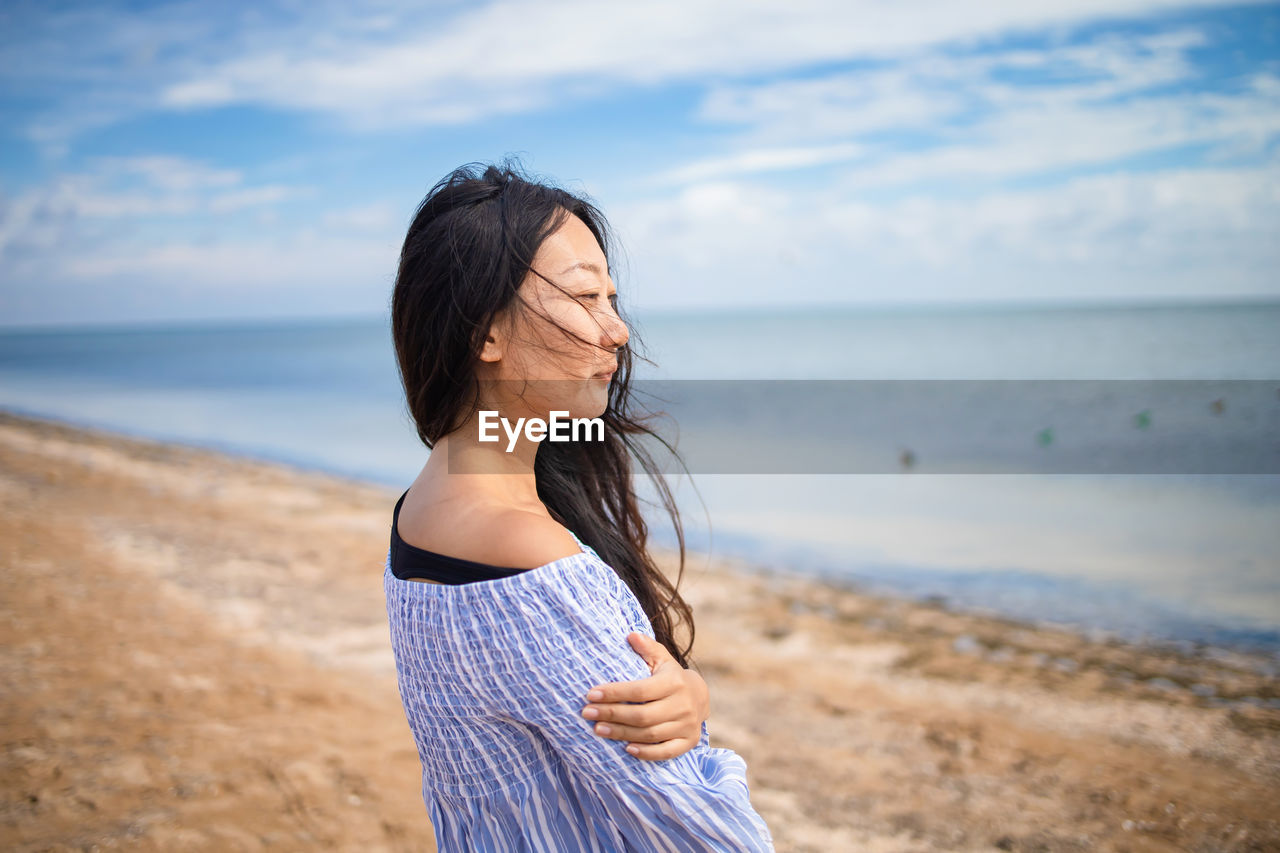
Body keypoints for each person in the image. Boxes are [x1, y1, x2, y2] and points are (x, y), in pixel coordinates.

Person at [384, 159, 775, 851]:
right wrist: (703, 725)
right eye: (586, 297)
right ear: (485, 332)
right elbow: (709, 837)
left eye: (613, 299)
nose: (617, 332)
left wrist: (685, 695)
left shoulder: (426, 504)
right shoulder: (529, 559)